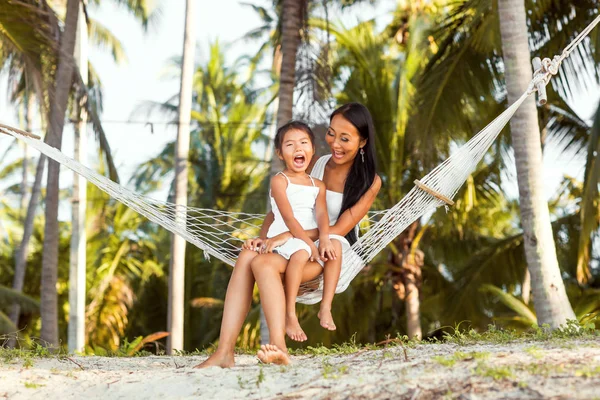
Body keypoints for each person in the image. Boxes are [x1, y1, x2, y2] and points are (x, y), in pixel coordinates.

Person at [195, 103, 381, 368]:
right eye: (331, 133)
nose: (335, 144)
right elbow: (280, 210)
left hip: (328, 250)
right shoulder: (316, 163)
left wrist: (285, 237)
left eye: (345, 138)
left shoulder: (370, 181)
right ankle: (225, 351)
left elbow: (337, 228)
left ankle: (279, 348)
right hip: (291, 241)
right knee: (250, 254)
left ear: (362, 141)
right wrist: (264, 238)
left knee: (262, 263)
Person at [262, 120, 336, 343]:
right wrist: (310, 244)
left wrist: (323, 238)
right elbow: (288, 218)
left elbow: (322, 214)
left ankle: (322, 302)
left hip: (306, 235)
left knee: (332, 249)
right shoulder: (279, 181)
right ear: (280, 153)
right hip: (285, 233)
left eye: (304, 143)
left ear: (312, 150)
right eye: (290, 145)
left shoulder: (317, 184)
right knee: (302, 253)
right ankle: (290, 314)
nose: (298, 149)